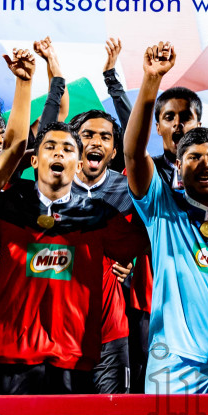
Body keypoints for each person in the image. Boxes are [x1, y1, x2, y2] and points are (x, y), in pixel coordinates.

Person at [0, 50, 146, 395]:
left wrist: (130, 270)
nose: (59, 153)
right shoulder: (7, 204)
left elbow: (147, 246)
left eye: (67, 149)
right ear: (34, 158)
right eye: (50, 147)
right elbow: (13, 148)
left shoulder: (103, 213)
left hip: (84, 349)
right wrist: (29, 82)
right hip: (18, 353)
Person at [124, 42, 208, 394]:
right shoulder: (162, 208)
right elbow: (133, 154)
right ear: (177, 166)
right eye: (193, 157)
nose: (204, 164)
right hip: (172, 366)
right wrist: (151, 81)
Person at [71, 107, 137, 394]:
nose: (96, 142)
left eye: (105, 137)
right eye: (88, 135)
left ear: (113, 151)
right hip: (62, 332)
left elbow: (148, 245)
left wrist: (132, 265)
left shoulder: (132, 193)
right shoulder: (50, 190)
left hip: (111, 328)